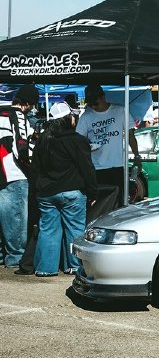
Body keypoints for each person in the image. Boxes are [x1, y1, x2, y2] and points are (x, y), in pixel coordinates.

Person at [28, 101, 97, 277]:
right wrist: (92, 191)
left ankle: (45, 269)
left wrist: (36, 191)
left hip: (46, 193)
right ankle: (74, 266)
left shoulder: (43, 141)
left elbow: (35, 169)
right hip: (72, 192)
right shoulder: (77, 140)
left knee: (48, 230)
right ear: (68, 119)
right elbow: (87, 168)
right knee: (75, 229)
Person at [75, 82, 140, 218]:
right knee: (99, 205)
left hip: (117, 166)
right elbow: (78, 140)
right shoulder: (86, 116)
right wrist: (87, 145)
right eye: (90, 103)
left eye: (95, 103)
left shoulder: (120, 111)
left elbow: (130, 135)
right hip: (96, 167)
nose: (93, 106)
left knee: (118, 204)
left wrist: (137, 156)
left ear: (102, 97)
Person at [0, 84, 38, 271]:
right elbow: (21, 147)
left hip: (3, 172)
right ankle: (15, 258)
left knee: (4, 218)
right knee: (16, 219)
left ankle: (3, 255)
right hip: (14, 173)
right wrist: (32, 168)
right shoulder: (18, 115)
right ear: (27, 104)